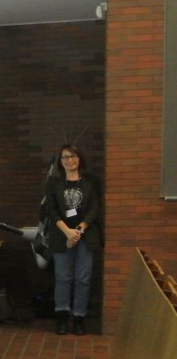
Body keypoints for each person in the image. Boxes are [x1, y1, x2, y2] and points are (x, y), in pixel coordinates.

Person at [41, 143, 102, 335]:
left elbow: (94, 208)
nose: (70, 160)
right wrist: (68, 232)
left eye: (73, 156)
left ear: (79, 158)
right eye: (65, 157)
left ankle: (78, 318)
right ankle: (62, 317)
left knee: (83, 279)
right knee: (63, 278)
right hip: (62, 236)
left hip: (85, 235)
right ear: (60, 161)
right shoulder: (53, 183)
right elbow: (51, 210)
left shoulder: (91, 181)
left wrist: (79, 230)